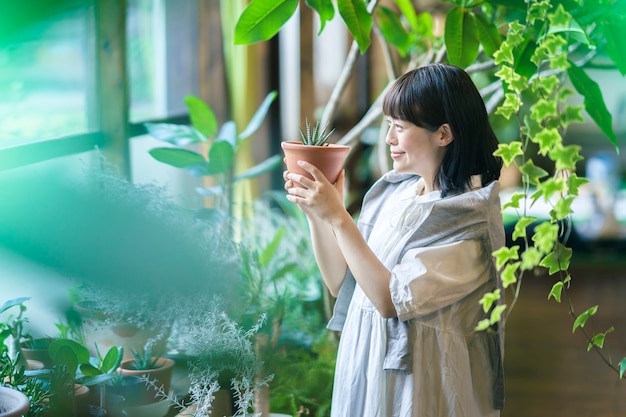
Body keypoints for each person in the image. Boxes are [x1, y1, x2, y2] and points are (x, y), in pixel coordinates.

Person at [284, 63, 505, 417]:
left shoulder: (467, 223)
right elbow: (343, 283)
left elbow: (389, 300)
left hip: (421, 387)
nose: (389, 139)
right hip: (366, 367)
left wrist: (339, 218)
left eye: (399, 128)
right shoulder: (396, 195)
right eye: (389, 126)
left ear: (443, 134)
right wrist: (319, 214)